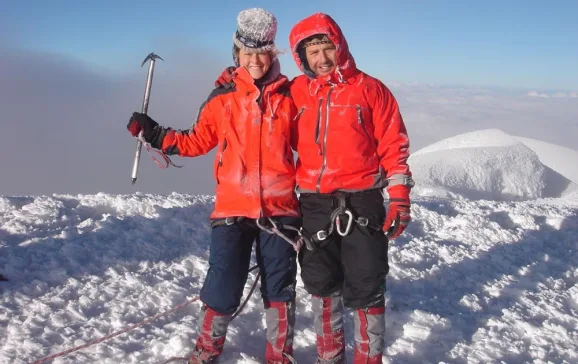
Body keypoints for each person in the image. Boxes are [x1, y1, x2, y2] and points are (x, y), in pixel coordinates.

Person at [216, 12, 414, 364]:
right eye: (313, 53)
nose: (321, 59)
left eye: (327, 48)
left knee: (367, 284)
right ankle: (330, 357)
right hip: (314, 203)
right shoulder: (298, 91)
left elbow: (393, 146)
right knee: (322, 284)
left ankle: (368, 358)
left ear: (340, 47)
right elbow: (265, 101)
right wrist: (234, 80)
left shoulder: (371, 90)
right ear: (301, 57)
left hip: (363, 199)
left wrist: (399, 198)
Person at [127, 8, 300, 364]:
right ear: (237, 54)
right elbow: (194, 140)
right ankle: (206, 352)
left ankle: (279, 356)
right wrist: (155, 133)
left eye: (262, 53)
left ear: (272, 54)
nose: (255, 60)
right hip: (233, 207)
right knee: (221, 285)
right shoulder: (222, 97)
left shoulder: (290, 97)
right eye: (247, 53)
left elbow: (313, 146)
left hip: (280, 209)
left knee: (280, 289)